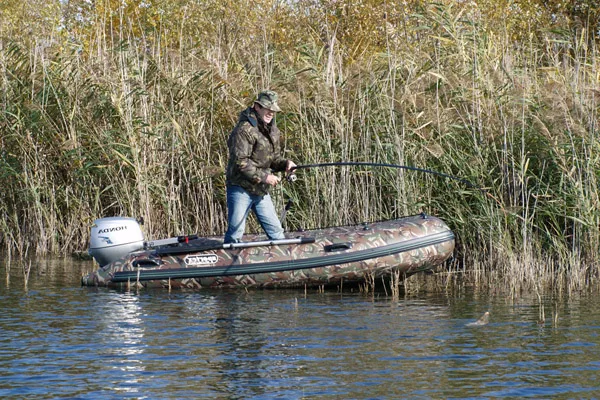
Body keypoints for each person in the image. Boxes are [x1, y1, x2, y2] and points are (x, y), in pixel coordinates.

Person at [224, 90, 296, 243]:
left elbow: (274, 160)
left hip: (260, 190)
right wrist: (266, 177)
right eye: (267, 109)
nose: (271, 113)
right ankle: (228, 263)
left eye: (273, 110)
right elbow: (240, 162)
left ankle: (283, 261)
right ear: (257, 107)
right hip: (240, 188)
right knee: (236, 232)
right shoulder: (243, 130)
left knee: (276, 230)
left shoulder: (273, 131)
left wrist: (286, 164)